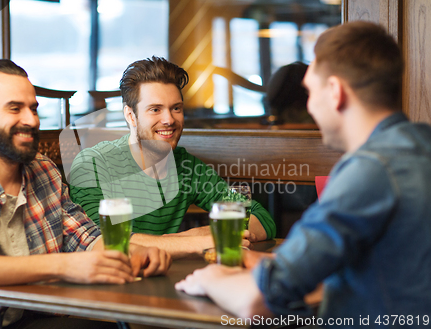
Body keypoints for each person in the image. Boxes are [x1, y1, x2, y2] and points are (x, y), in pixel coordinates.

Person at [175, 21, 431, 325]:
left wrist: (210, 278)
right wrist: (276, 264)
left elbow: (256, 302)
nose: (309, 105)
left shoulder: (369, 171)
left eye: (310, 91)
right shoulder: (420, 145)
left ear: (335, 92)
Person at [0, 59, 171, 329]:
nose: (31, 120)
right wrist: (64, 266)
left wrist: (138, 252)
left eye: (33, 108)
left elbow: (86, 238)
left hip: (38, 317)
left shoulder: (42, 169)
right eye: (15, 108)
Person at [69, 56, 276, 259]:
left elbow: (261, 218)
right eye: (155, 109)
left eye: (176, 108)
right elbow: (100, 243)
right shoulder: (92, 165)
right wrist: (199, 239)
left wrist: (186, 239)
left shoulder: (186, 166)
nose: (169, 120)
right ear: (130, 115)